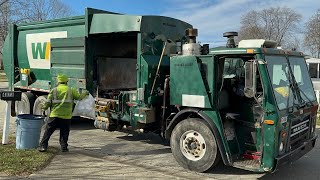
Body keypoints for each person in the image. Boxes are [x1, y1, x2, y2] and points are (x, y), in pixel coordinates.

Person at [39, 74, 88, 152]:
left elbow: (48, 103)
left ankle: (43, 146)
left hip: (55, 114)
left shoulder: (54, 90)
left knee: (48, 131)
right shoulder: (71, 90)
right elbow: (79, 98)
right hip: (66, 116)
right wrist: (85, 93)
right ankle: (64, 147)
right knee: (64, 132)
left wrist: (43, 107)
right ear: (66, 81)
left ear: (58, 81)